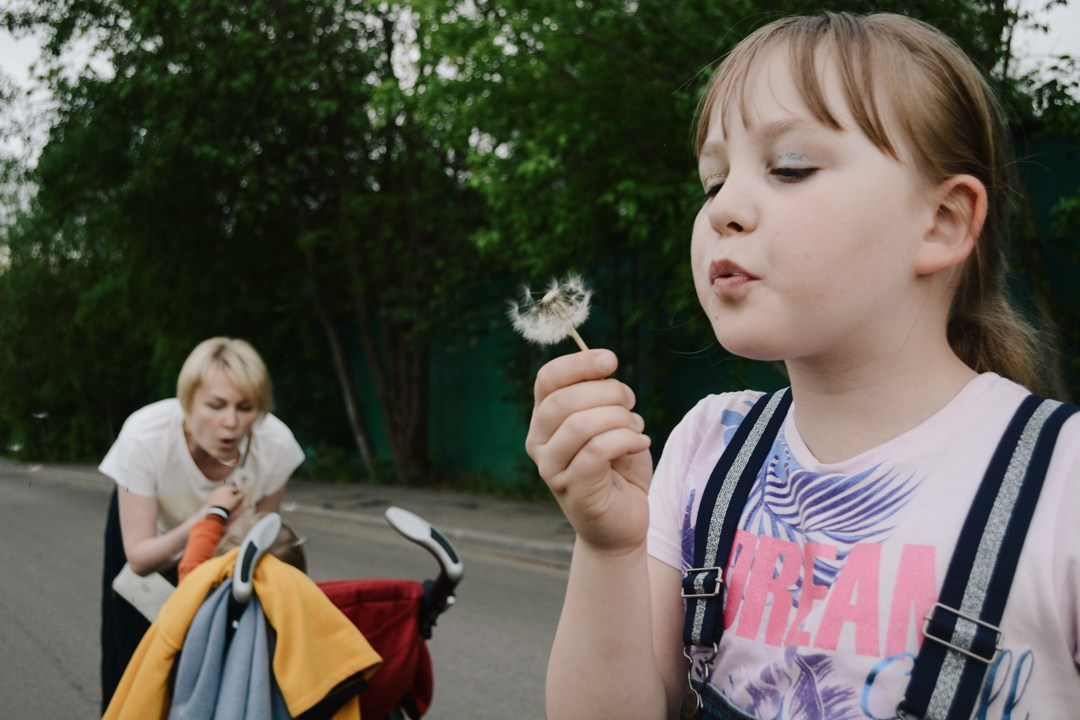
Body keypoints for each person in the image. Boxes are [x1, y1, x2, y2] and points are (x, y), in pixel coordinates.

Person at [524, 12, 1080, 720]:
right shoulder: (708, 447)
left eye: (790, 167)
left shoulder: (1064, 481)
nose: (725, 208)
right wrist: (607, 548)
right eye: (713, 182)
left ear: (941, 222)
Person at [98, 336, 305, 711]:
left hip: (222, 545)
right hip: (151, 535)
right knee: (134, 657)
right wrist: (205, 518)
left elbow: (265, 543)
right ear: (187, 402)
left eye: (246, 408)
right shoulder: (143, 436)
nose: (231, 422)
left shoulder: (276, 445)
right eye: (215, 405)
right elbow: (140, 559)